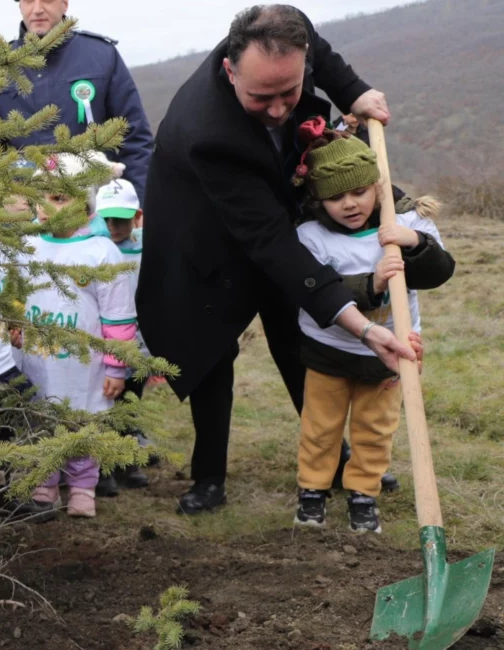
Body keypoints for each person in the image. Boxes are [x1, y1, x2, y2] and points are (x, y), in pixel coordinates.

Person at [137, 5, 418, 515]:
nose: (278, 109)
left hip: (271, 205)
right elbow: (268, 240)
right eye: (261, 97)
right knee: (210, 351)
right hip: (200, 233)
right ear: (230, 70)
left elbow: (323, 57)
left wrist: (353, 92)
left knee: (297, 336)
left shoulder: (292, 31)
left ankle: (333, 459)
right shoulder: (208, 133)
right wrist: (362, 328)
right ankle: (208, 477)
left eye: (289, 92)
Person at [292, 125, 453, 533]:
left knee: (375, 429)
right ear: (319, 199)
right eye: (336, 198)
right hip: (328, 350)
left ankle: (363, 494)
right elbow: (317, 292)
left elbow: (440, 272)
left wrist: (413, 241)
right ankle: (312, 491)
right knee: (321, 426)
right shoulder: (310, 236)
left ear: (377, 187)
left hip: (391, 352)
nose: (350, 204)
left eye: (359, 192)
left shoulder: (406, 222)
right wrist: (373, 283)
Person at [16, 154, 136, 518]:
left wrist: (116, 367)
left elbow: (118, 314)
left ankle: (83, 485)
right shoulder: (28, 245)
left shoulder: (101, 252)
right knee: (40, 416)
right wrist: (14, 326)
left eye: (58, 198)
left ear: (85, 203)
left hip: (85, 364)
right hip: (38, 358)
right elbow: (16, 293)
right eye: (41, 196)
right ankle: (45, 482)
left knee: (82, 419)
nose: (45, 207)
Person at [0, 0, 154, 202]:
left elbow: (135, 139)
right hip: (26, 211)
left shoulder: (101, 55)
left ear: (65, 4)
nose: (37, 9)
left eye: (47, 0)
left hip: (98, 205)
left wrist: (138, 204)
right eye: (28, 1)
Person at [96, 178, 158, 490]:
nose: (112, 226)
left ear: (137, 217)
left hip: (138, 341)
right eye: (105, 219)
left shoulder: (147, 249)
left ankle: (128, 455)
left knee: (131, 396)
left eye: (120, 219)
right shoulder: (93, 249)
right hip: (103, 343)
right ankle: (101, 464)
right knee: (103, 399)